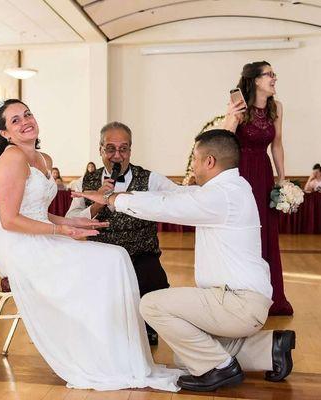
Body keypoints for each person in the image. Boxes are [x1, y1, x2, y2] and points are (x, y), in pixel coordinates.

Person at [76, 129, 296, 392]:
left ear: (209, 161)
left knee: (152, 305)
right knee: (186, 356)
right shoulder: (230, 188)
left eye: (195, 158)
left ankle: (221, 369)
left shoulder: (221, 195)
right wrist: (113, 198)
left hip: (237, 303)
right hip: (236, 300)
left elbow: (167, 206)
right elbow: (175, 197)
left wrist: (112, 198)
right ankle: (270, 348)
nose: (192, 165)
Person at [0, 99, 180, 391]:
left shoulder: (44, 159)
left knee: (116, 256)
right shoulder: (12, 158)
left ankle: (122, 355)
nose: (25, 121)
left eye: (27, 114)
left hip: (39, 232)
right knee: (108, 262)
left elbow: (37, 212)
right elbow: (11, 220)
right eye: (14, 120)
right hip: (19, 244)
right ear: (5, 133)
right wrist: (62, 229)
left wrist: (76, 223)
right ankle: (98, 356)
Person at [66, 121, 175, 346]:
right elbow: (70, 222)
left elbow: (177, 197)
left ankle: (149, 326)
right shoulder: (83, 182)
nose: (117, 155)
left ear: (130, 151)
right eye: (110, 148)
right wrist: (97, 201)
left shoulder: (151, 179)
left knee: (158, 289)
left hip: (142, 254)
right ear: (100, 150)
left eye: (123, 149)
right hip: (103, 257)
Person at [222, 61, 293, 316]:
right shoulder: (239, 106)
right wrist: (232, 117)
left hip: (263, 173)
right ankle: (241, 295)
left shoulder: (277, 108)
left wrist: (283, 180)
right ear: (255, 80)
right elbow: (225, 140)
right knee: (244, 230)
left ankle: (271, 296)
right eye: (269, 74)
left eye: (274, 73)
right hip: (241, 174)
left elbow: (277, 145)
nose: (274, 78)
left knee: (267, 230)